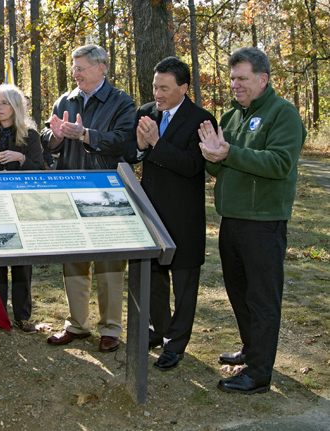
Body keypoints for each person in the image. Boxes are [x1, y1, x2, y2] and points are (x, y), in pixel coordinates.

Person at [198, 47, 305, 394]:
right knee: (239, 292)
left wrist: (230, 153)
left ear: (263, 79)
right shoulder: (231, 117)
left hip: (264, 222)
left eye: (242, 78)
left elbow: (279, 163)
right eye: (232, 78)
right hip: (231, 219)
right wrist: (211, 156)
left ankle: (259, 373)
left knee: (262, 298)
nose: (235, 84)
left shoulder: (282, 113)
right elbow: (218, 166)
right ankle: (251, 349)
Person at [41, 44, 135, 353]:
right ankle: (76, 325)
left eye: (80, 67)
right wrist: (55, 136)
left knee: (110, 263)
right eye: (73, 67)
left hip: (108, 193)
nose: (75, 73)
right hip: (69, 190)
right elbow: (48, 142)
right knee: (74, 261)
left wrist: (85, 134)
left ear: (101, 68)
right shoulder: (64, 100)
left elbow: (124, 142)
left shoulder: (121, 102)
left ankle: (110, 328)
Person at [125, 57, 217, 370]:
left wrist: (156, 143)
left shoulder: (201, 120)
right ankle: (158, 329)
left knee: (184, 283)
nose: (158, 94)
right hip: (151, 212)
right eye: (155, 87)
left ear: (184, 88)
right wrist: (139, 145)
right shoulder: (146, 112)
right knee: (154, 278)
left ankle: (176, 344)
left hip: (183, 216)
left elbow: (193, 166)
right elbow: (133, 153)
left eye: (165, 88)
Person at [0, 84, 45, 333]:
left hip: (23, 205)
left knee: (22, 262)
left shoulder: (30, 135)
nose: (0, 108)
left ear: (16, 106)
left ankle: (23, 315)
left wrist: (21, 159)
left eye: (5, 103)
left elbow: (40, 171)